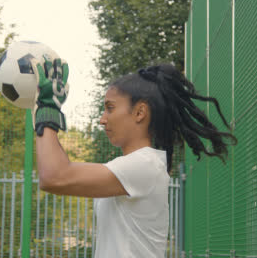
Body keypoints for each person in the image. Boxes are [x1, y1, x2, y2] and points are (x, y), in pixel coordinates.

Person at [30, 56, 237, 258]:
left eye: (110, 108)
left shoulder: (144, 165)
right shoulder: (134, 167)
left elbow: (54, 177)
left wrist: (48, 109)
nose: (102, 120)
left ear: (140, 112)